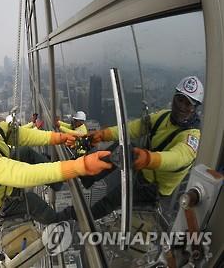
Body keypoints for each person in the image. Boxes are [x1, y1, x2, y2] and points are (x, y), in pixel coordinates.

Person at [0, 82, 113, 225]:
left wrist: (59, 137)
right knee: (33, 202)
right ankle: (57, 219)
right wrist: (78, 166)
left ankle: (58, 182)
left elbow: (22, 135)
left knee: (25, 152)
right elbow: (21, 174)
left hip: (1, 181)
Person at [58, 76, 204, 220]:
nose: (181, 106)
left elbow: (177, 158)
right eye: (180, 99)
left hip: (154, 188)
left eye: (188, 104)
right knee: (124, 147)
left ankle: (83, 217)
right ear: (174, 98)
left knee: (114, 197)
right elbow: (133, 128)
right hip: (144, 171)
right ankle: (87, 176)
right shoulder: (164, 116)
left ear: (195, 108)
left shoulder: (192, 137)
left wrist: (149, 158)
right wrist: (103, 134)